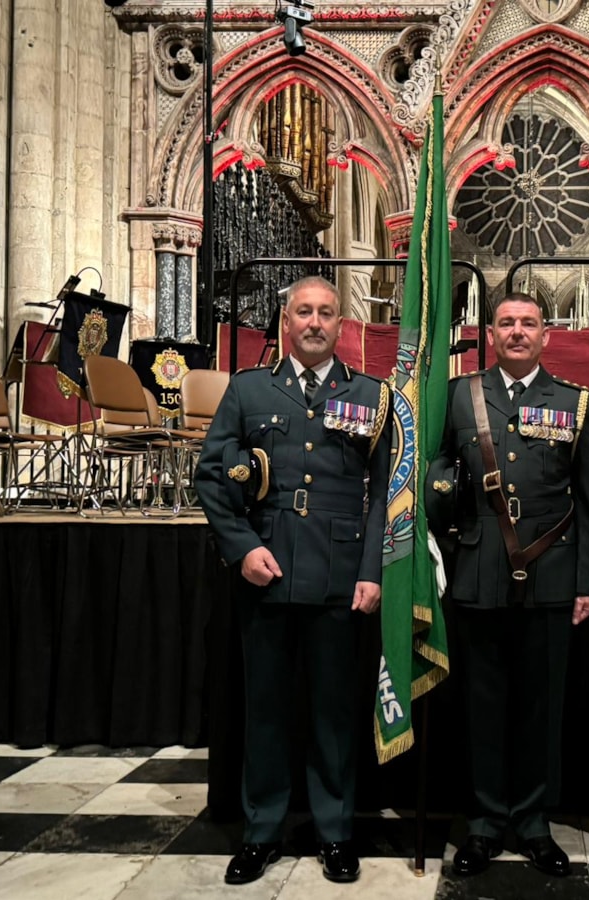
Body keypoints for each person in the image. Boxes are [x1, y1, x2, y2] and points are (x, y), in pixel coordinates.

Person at [196, 276, 391, 887]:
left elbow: (387, 492)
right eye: (303, 311)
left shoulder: (370, 396)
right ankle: (261, 832)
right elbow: (211, 474)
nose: (314, 322)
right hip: (268, 572)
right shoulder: (249, 391)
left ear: (341, 324)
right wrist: (241, 548)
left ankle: (335, 831)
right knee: (268, 712)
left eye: (326, 313)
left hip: (339, 577)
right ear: (285, 321)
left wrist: (371, 572)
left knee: (334, 713)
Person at [425, 293, 589, 878]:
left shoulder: (576, 403)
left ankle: (532, 822)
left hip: (551, 575)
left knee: (540, 707)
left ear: (547, 335)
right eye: (507, 323)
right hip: (479, 573)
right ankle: (483, 823)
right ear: (490, 333)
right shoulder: (459, 395)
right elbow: (436, 476)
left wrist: (584, 583)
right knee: (482, 705)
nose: (518, 332)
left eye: (529, 323)